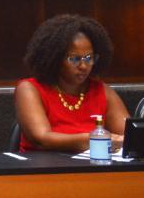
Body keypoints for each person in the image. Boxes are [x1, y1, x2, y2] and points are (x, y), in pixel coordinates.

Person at [15, 14, 129, 152]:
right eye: (74, 59)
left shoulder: (102, 91)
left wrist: (121, 141)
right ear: (55, 58)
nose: (83, 66)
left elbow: (129, 136)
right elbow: (41, 139)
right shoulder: (30, 89)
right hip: (42, 165)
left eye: (89, 58)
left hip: (92, 165)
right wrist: (94, 140)